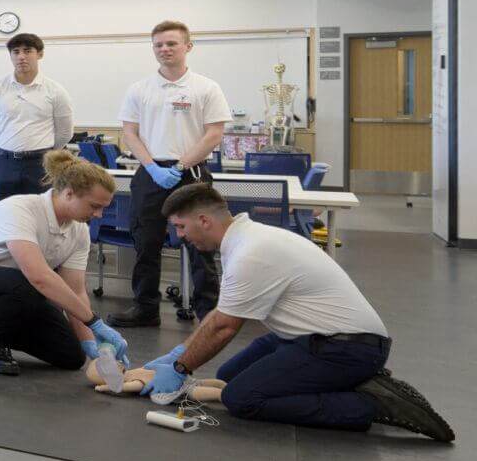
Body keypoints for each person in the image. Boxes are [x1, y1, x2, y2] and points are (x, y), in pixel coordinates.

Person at [140, 183, 453, 439]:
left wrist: (180, 369)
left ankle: (369, 403)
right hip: (314, 338)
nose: (179, 236)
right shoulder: (249, 238)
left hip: (347, 349)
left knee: (241, 399)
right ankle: (339, 382)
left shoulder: (251, 253)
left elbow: (224, 326)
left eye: (181, 227)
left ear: (204, 221)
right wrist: (179, 353)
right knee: (228, 376)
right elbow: (221, 314)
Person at [0, 149, 127, 377]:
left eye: (103, 208)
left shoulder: (79, 232)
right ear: (68, 194)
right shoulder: (19, 209)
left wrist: (89, 342)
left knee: (70, 356)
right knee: (33, 284)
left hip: (15, 288)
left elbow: (75, 290)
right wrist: (95, 322)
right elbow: (39, 276)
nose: (99, 215)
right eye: (94, 206)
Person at [109, 20, 230, 329]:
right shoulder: (140, 89)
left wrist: (178, 167)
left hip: (190, 172)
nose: (165, 49)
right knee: (145, 243)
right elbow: (130, 133)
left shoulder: (206, 87)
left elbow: (213, 134)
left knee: (200, 245)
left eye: (171, 44)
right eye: (159, 45)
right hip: (150, 172)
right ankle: (146, 308)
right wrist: (151, 167)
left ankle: (209, 313)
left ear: (187, 47)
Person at [0, 32, 74, 204]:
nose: (21, 57)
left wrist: (45, 153)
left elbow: (65, 132)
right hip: (5, 163)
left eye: (27, 51)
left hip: (41, 165)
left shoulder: (55, 91)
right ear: (11, 56)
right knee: (1, 216)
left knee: (43, 217)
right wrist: (6, 148)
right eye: (16, 52)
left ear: (39, 54)